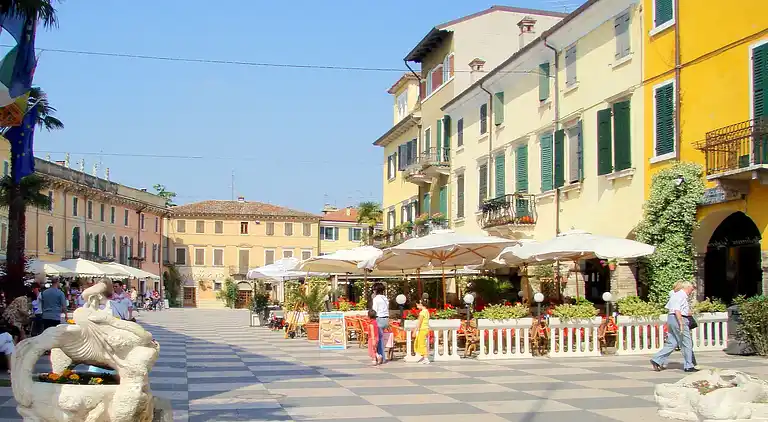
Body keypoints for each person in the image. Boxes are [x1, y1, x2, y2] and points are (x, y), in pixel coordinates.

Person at [651, 280, 697, 372]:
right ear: (687, 288)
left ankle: (657, 359)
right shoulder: (681, 295)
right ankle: (689, 365)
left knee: (672, 342)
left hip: (671, 318)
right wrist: (681, 323)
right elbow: (677, 310)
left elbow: (673, 308)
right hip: (678, 318)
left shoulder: (674, 295)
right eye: (691, 289)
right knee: (686, 342)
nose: (691, 292)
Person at [371, 283, 388, 364]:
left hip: (379, 319)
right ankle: (381, 356)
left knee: (378, 339)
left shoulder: (376, 299)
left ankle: (381, 357)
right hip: (386, 319)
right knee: (381, 338)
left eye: (374, 289)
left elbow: (374, 310)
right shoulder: (385, 298)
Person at [412, 299, 430, 365]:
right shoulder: (426, 311)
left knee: (421, 343)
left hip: (423, 329)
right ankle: (424, 357)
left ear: (421, 304)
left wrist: (414, 331)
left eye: (417, 304)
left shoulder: (422, 312)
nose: (416, 305)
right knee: (420, 342)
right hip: (425, 329)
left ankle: (426, 358)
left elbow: (419, 322)